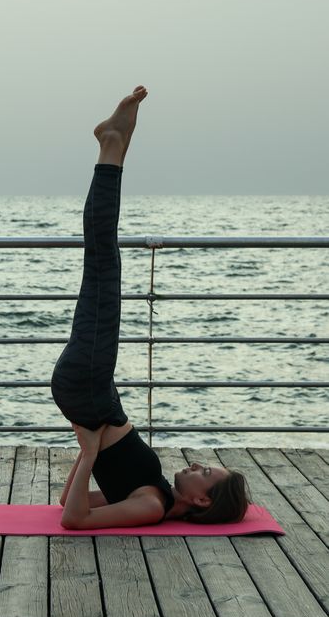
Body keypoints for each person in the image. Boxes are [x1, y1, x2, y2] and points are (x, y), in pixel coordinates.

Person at [51, 86, 250, 529]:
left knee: (102, 256)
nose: (196, 466)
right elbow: (72, 499)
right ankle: (112, 148)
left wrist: (88, 452)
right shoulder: (154, 489)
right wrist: (88, 454)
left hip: (89, 389)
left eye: (204, 473)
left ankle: (112, 150)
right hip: (94, 394)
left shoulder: (152, 506)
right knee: (102, 258)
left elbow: (73, 521)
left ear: (201, 501)